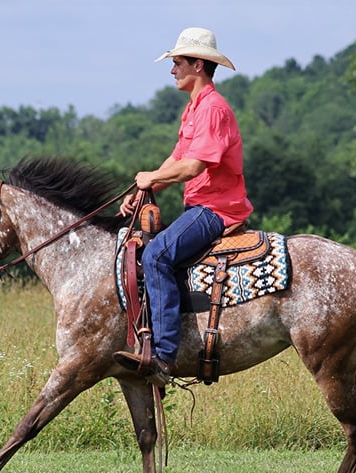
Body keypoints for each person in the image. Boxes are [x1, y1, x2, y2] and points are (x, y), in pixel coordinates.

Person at [113, 27, 253, 385]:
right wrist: (145, 186)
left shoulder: (213, 109)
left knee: (156, 256)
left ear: (198, 64)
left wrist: (150, 177)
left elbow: (193, 166)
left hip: (217, 209)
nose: (173, 70)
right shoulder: (193, 110)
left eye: (177, 63)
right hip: (200, 207)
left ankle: (163, 357)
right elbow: (177, 158)